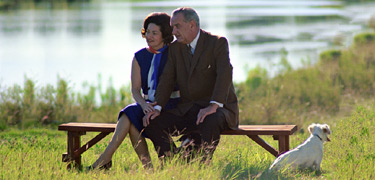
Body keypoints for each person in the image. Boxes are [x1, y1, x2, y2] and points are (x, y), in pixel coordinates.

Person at [143, 7, 239, 162]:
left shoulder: (217, 43)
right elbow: (167, 79)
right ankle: (173, 161)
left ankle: (202, 163)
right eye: (172, 27)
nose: (173, 31)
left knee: (210, 119)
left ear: (192, 25)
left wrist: (213, 105)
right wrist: (158, 107)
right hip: (188, 109)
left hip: (219, 109)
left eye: (177, 26)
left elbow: (224, 75)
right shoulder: (175, 48)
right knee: (152, 122)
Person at [88, 12, 179, 170]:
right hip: (148, 105)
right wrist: (144, 105)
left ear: (165, 34)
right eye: (147, 32)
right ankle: (145, 167)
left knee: (130, 115)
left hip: (171, 105)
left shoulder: (175, 54)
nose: (149, 36)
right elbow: (135, 90)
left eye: (154, 33)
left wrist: (156, 106)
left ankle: (106, 160)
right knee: (131, 113)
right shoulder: (139, 57)